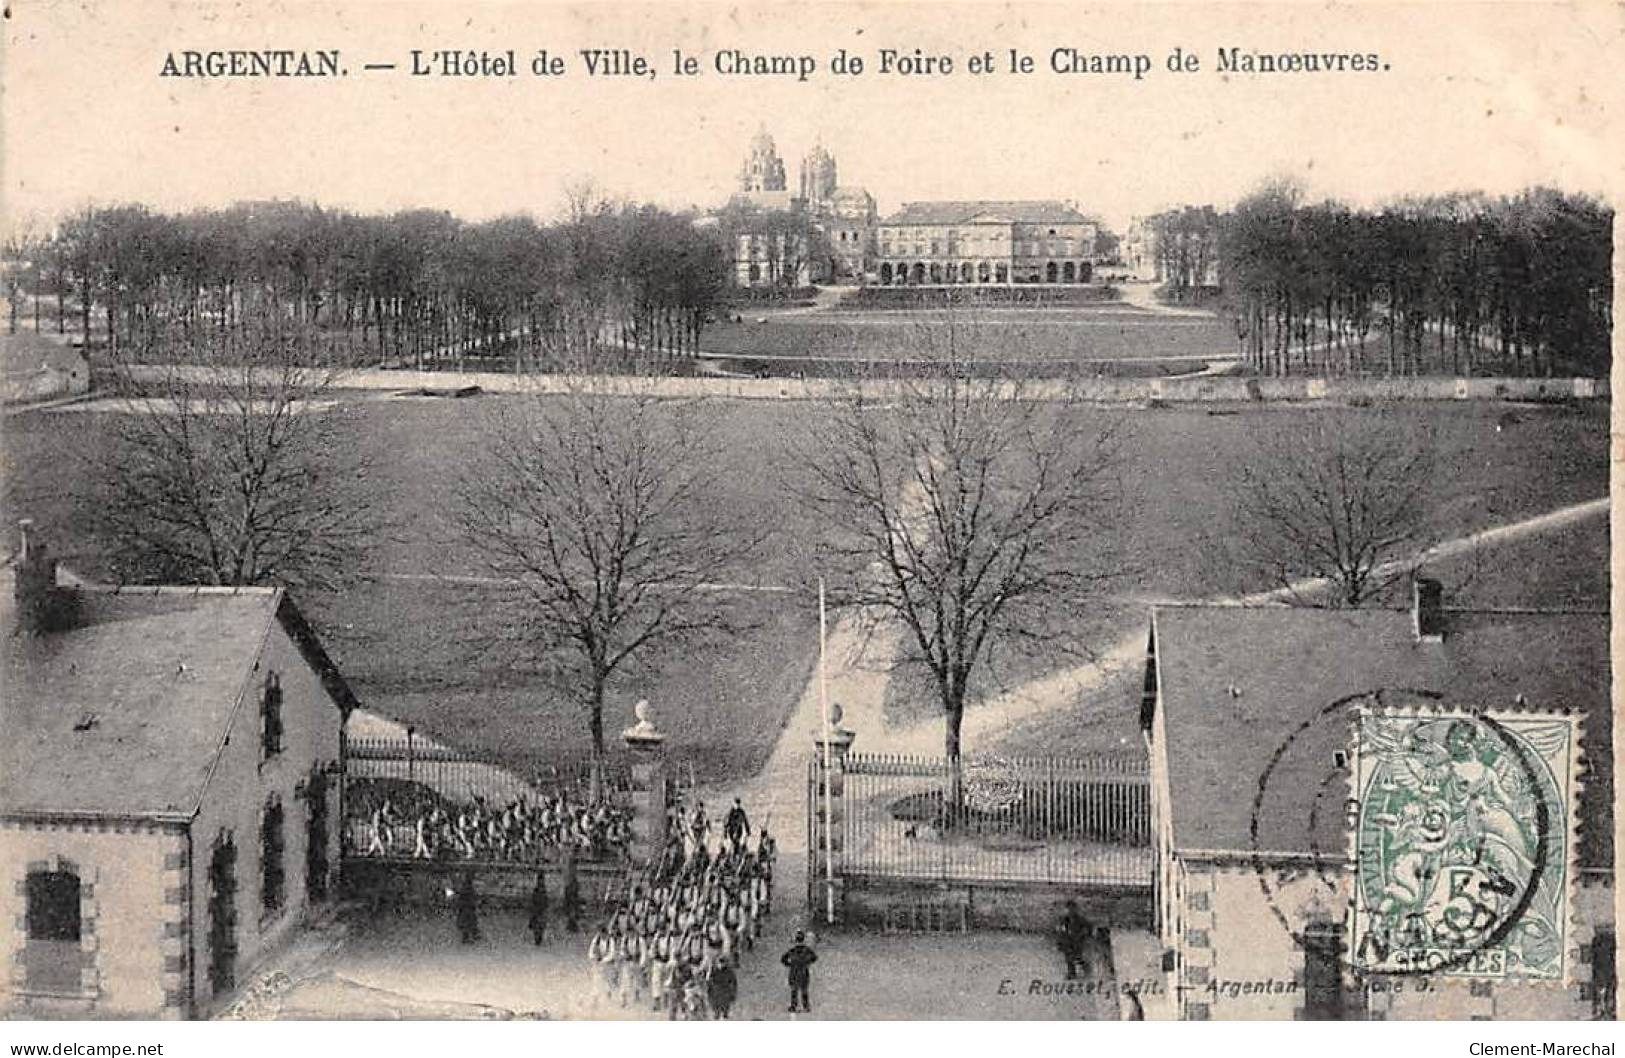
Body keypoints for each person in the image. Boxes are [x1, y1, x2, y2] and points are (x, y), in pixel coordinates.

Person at [780, 929, 817, 1013]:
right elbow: (814, 957)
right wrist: (808, 962)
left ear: (796, 939)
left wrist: (789, 964)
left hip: (794, 971)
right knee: (804, 989)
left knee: (794, 989)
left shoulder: (792, 950)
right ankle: (806, 1006)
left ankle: (793, 1005)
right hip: (804, 971)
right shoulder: (807, 949)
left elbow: (783, 959)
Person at [1058, 899, 1089, 980]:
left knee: (1077, 957)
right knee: (1068, 958)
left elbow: (1087, 928)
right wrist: (1061, 942)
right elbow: (1061, 931)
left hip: (1077, 941)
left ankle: (1085, 967)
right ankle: (1072, 973)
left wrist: (1082, 935)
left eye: (1072, 908)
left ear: (1075, 909)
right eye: (1069, 909)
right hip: (1068, 942)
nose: (1071, 911)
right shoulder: (1064, 920)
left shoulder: (1080, 919)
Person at [454, 870, 481, 944]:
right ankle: (468, 937)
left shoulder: (465, 887)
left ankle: (472, 935)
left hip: (466, 907)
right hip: (467, 907)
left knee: (469, 922)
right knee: (468, 922)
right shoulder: (468, 888)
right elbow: (469, 897)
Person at [527, 871, 549, 946]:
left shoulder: (539, 890)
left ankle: (538, 938)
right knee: (539, 924)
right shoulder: (540, 890)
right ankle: (538, 938)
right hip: (539, 910)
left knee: (539, 924)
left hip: (539, 910)